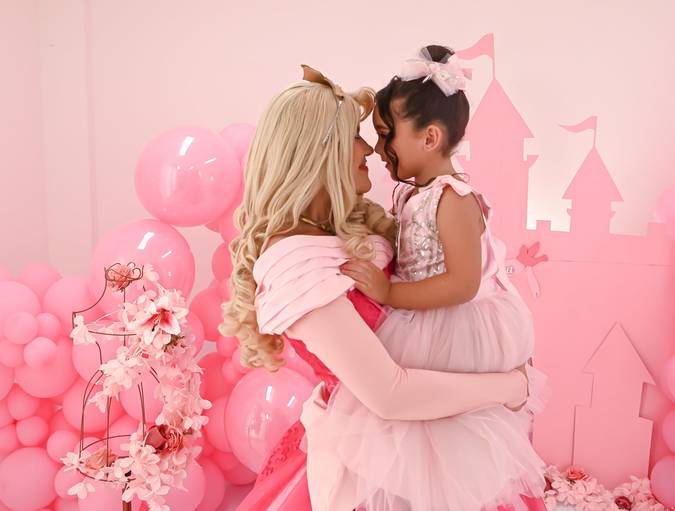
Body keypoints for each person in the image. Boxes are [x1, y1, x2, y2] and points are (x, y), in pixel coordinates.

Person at [221, 64, 531, 511]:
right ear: (319, 152)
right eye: (356, 136)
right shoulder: (296, 266)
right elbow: (390, 394)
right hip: (372, 463)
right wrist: (510, 388)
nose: (370, 147)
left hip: (421, 442)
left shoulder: (346, 229)